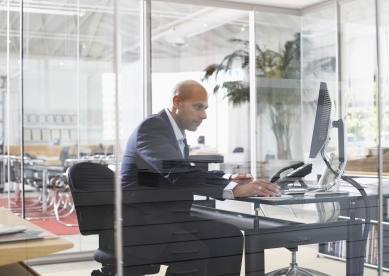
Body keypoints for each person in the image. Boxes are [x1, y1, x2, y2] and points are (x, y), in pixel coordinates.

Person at [120, 80, 280, 276]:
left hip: (168, 218)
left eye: (205, 108)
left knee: (229, 237)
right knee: (194, 252)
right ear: (177, 102)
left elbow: (186, 171)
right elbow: (177, 172)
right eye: (198, 107)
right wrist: (234, 190)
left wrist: (229, 178)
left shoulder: (175, 133)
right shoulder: (153, 127)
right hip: (144, 224)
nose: (204, 115)